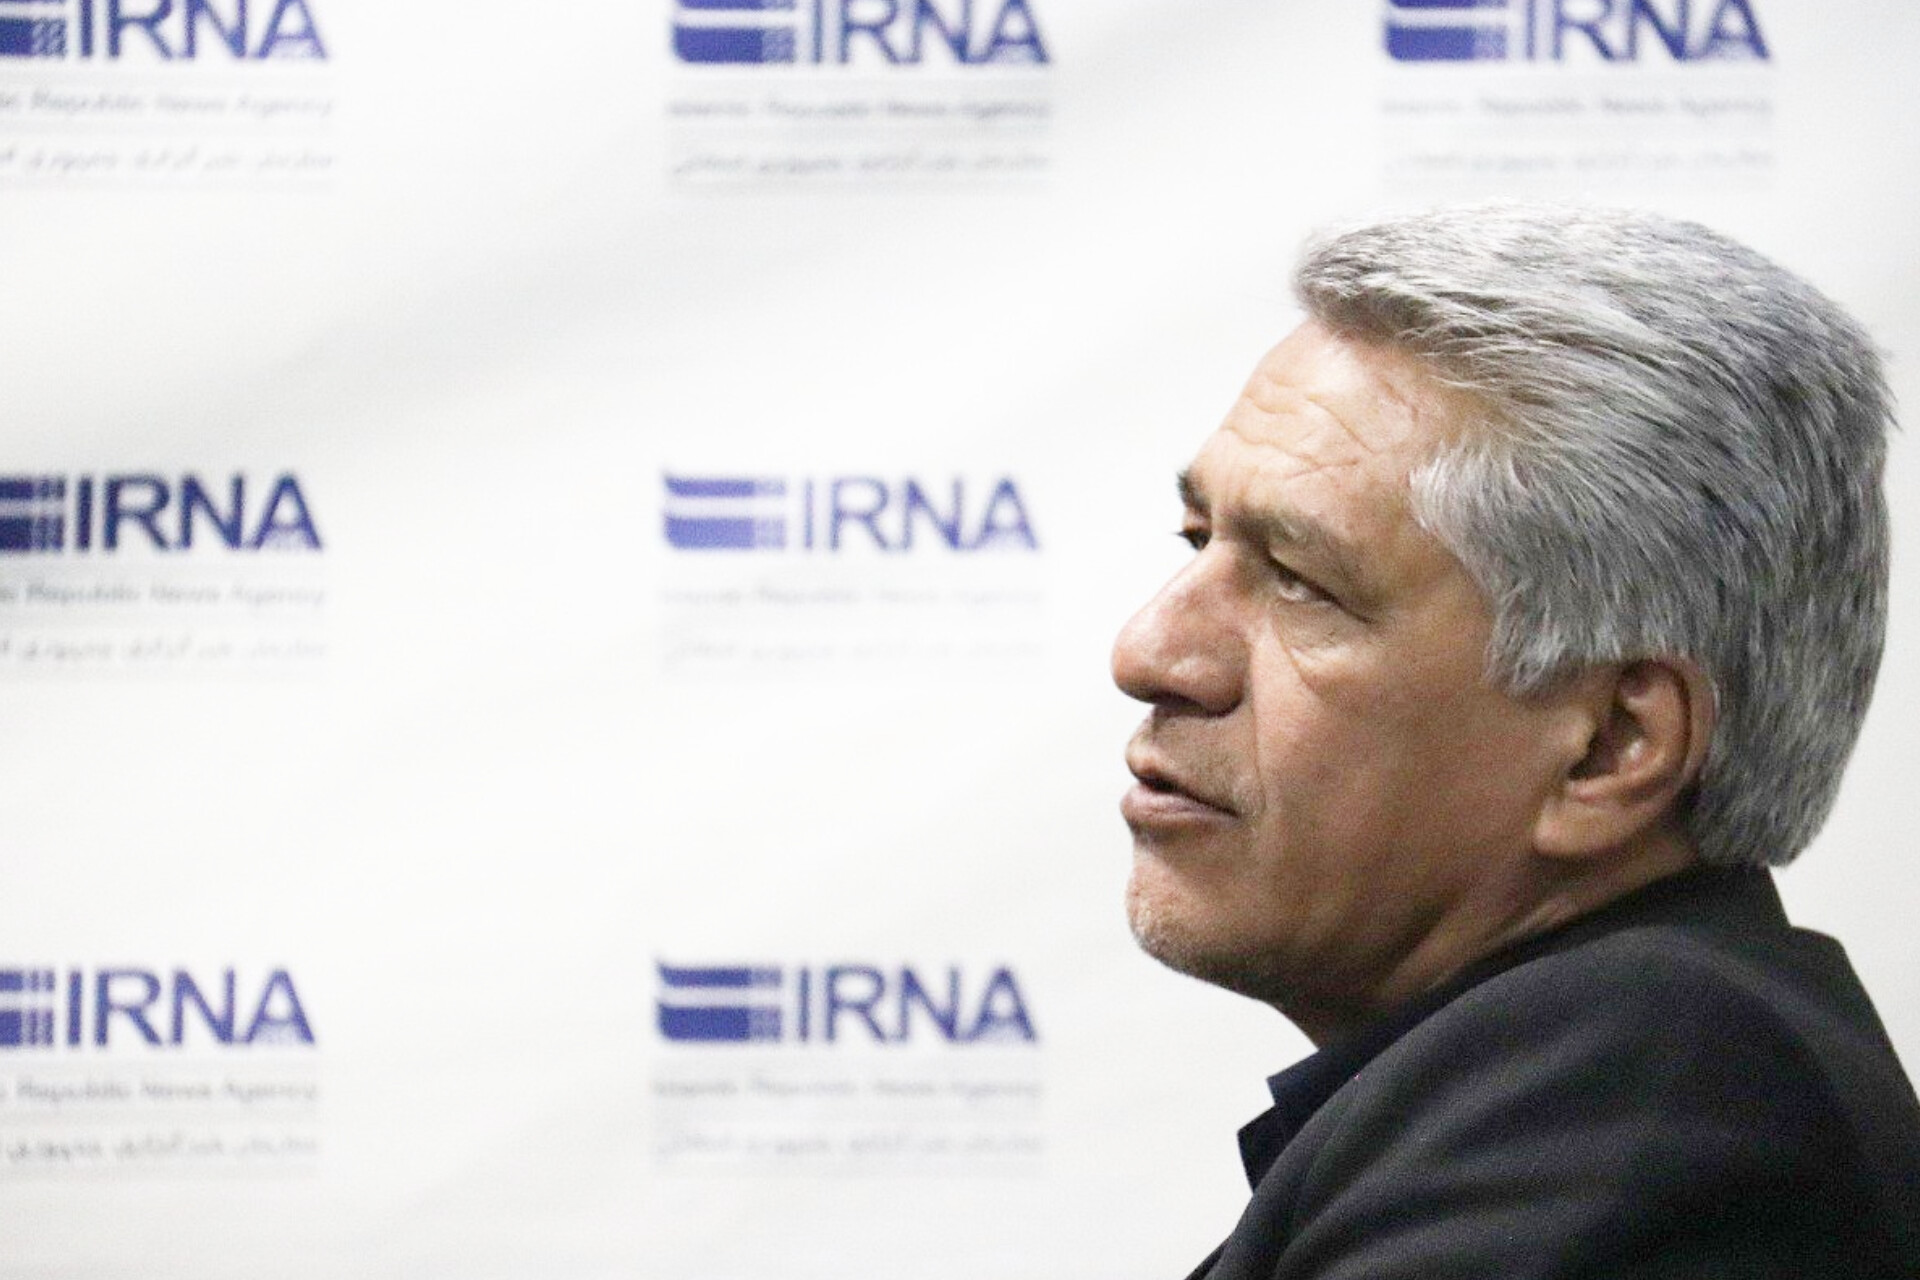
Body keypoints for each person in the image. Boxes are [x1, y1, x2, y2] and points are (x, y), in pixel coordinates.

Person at [1112, 203, 1920, 1278]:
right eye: (1197, 539)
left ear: (1608, 747)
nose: (1149, 651)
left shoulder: (1646, 1100)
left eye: (1301, 581)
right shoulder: (1567, 1090)